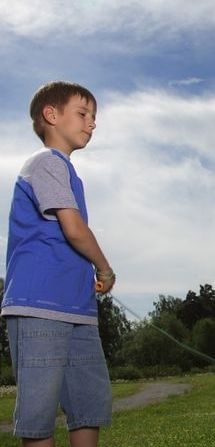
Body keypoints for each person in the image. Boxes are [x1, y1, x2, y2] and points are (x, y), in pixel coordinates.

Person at [2, 81, 116, 446]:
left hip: (78, 309)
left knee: (87, 405)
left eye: (94, 117)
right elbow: (74, 229)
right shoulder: (45, 164)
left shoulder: (67, 172)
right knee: (39, 414)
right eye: (83, 114)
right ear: (51, 115)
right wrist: (105, 268)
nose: (92, 123)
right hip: (39, 307)